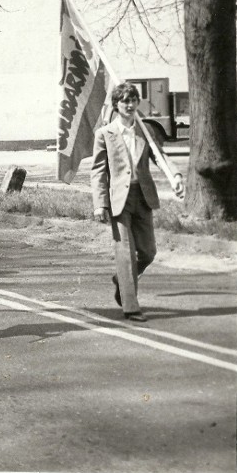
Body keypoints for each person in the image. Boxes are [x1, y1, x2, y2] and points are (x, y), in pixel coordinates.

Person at [91, 82, 185, 323]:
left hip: (143, 197)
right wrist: (99, 203)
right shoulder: (105, 134)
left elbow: (160, 157)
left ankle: (121, 280)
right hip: (118, 201)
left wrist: (175, 175)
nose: (130, 105)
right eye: (125, 101)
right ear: (116, 105)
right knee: (125, 254)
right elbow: (98, 171)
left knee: (148, 252)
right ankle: (131, 306)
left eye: (133, 101)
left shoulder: (145, 131)